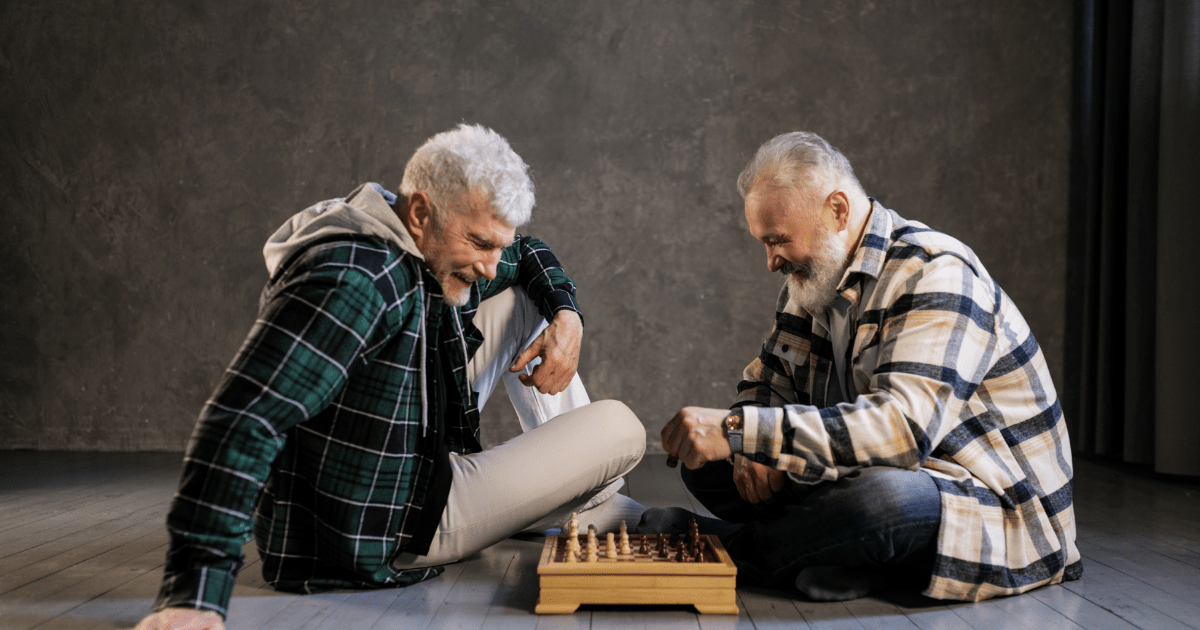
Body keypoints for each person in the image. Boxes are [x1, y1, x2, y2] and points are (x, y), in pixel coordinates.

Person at [133, 124, 646, 630]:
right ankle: (594, 506)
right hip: (396, 530)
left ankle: (587, 500)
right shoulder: (358, 279)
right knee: (622, 428)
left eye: (496, 245)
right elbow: (242, 419)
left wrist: (568, 315)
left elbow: (527, 253)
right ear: (420, 211)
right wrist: (194, 593)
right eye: (480, 243)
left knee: (522, 300)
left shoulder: (400, 231)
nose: (491, 265)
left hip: (412, 464)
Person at [652, 131, 1080, 602]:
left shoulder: (935, 272)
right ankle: (845, 557)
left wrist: (741, 429)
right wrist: (744, 439)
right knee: (707, 463)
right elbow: (767, 384)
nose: (771, 261)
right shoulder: (809, 282)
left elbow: (901, 435)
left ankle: (724, 549)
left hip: (980, 501)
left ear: (837, 211)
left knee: (880, 502)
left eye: (778, 241)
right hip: (865, 471)